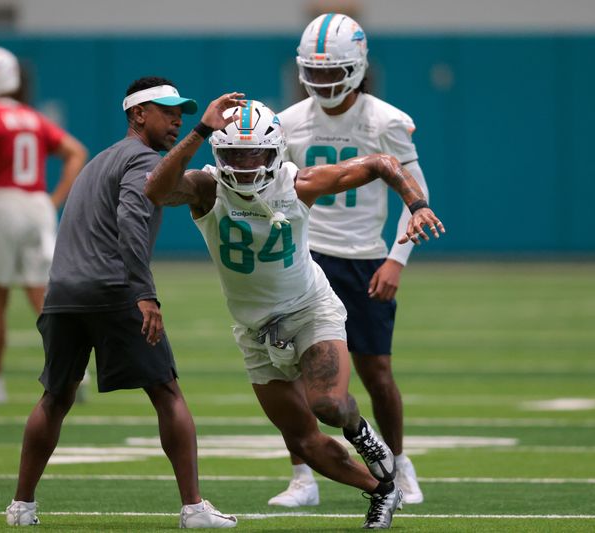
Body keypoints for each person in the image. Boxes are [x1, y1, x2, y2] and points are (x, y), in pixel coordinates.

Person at [145, 96, 444, 529]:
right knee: (303, 441)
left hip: (309, 310)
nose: (245, 164)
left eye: (255, 153)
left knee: (329, 404)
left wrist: (418, 206)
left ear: (275, 151)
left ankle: (359, 429)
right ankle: (383, 490)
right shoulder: (207, 188)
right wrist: (200, 130)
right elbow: (155, 190)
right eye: (234, 154)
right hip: (253, 329)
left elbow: (382, 162)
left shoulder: (299, 183)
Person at [5, 77, 236, 529]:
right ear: (138, 114)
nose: (176, 120)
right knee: (167, 392)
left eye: (181, 114)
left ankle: (21, 506)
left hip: (63, 293)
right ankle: (193, 508)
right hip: (113, 289)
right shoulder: (141, 158)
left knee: (55, 397)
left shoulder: (101, 160)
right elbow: (132, 217)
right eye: (167, 111)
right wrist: (144, 293)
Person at [268, 13, 429, 507]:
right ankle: (303, 476)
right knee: (294, 373)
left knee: (376, 372)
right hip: (306, 259)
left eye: (331, 72)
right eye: (314, 72)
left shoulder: (386, 120)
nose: (322, 82)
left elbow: (416, 194)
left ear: (357, 67)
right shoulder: (288, 121)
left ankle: (399, 463)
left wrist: (396, 259)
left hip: (364, 258)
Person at [0, 46, 88, 405]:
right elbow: (77, 152)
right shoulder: (31, 117)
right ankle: (75, 370)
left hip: (2, 205)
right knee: (43, 296)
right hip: (36, 206)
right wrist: (54, 199)